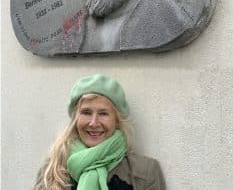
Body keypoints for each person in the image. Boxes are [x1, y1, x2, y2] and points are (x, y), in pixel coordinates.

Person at [33, 74, 166, 189]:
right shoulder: (53, 170)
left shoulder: (145, 171)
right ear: (75, 119)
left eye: (103, 113)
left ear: (117, 120)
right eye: (86, 112)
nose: (94, 123)